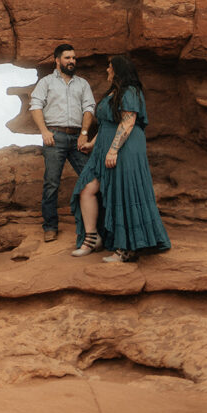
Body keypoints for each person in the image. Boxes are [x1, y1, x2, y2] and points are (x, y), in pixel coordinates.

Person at [70, 55, 170, 261]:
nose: (107, 70)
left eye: (109, 67)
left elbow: (127, 122)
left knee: (124, 193)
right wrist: (92, 143)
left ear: (118, 70)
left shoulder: (131, 91)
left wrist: (114, 150)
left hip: (125, 148)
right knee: (86, 189)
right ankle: (92, 238)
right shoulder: (112, 93)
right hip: (104, 149)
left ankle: (126, 248)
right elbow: (108, 123)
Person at [29, 43, 96, 242]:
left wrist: (84, 133)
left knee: (91, 177)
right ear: (57, 60)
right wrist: (44, 132)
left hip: (77, 137)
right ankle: (50, 226)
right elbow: (35, 106)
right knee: (51, 183)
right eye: (67, 58)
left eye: (74, 58)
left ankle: (92, 226)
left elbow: (89, 108)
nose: (72, 61)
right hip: (54, 137)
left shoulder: (82, 83)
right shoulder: (46, 82)